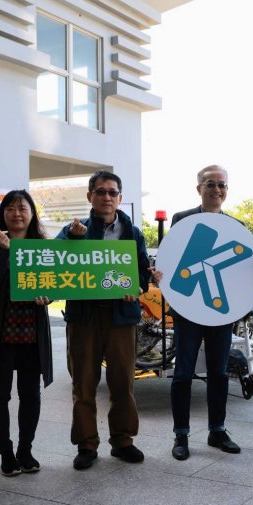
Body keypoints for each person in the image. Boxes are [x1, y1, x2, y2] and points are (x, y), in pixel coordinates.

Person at [167, 164, 253, 461]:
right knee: (183, 373)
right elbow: (172, 259)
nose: (217, 190)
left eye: (222, 185)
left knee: (219, 373)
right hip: (188, 309)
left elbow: (250, 263)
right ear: (199, 188)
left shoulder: (236, 226)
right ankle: (181, 434)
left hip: (220, 311)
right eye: (210, 184)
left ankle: (217, 430)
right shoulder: (182, 220)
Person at [56, 170, 152, 469]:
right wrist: (72, 240)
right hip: (83, 317)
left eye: (112, 192)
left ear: (120, 198)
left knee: (123, 382)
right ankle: (86, 445)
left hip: (121, 318)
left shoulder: (133, 232)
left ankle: (123, 441)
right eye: (100, 191)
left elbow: (142, 274)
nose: (106, 197)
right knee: (83, 383)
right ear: (90, 197)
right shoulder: (74, 229)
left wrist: (136, 289)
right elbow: (56, 261)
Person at [0, 190, 53, 476]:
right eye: (10, 208)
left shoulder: (42, 246)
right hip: (1, 329)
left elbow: (55, 284)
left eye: (22, 208)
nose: (16, 213)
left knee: (30, 393)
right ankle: (6, 453)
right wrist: (6, 251)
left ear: (32, 214)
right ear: (2, 213)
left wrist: (49, 297)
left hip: (32, 330)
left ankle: (25, 449)